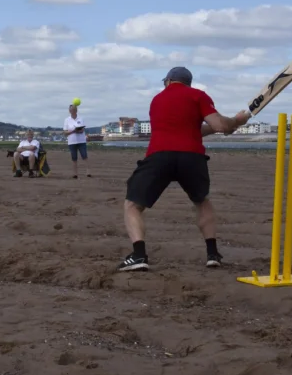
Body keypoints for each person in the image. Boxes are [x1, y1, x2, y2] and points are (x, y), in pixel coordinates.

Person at [117, 66, 250, 272]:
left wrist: (230, 124)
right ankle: (212, 254)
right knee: (201, 201)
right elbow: (217, 126)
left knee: (133, 205)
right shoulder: (198, 96)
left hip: (160, 155)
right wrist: (236, 121)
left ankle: (138, 255)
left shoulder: (157, 100)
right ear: (188, 82)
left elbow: (214, 127)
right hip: (191, 156)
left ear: (168, 81)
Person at [64, 102, 91, 179]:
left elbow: (82, 129)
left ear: (76, 110)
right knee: (74, 158)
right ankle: (75, 173)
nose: (73, 111)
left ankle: (88, 172)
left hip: (81, 141)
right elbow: (65, 132)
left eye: (74, 110)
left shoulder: (80, 119)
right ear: (69, 111)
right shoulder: (67, 120)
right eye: (71, 110)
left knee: (84, 156)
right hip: (72, 142)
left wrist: (78, 130)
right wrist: (73, 131)